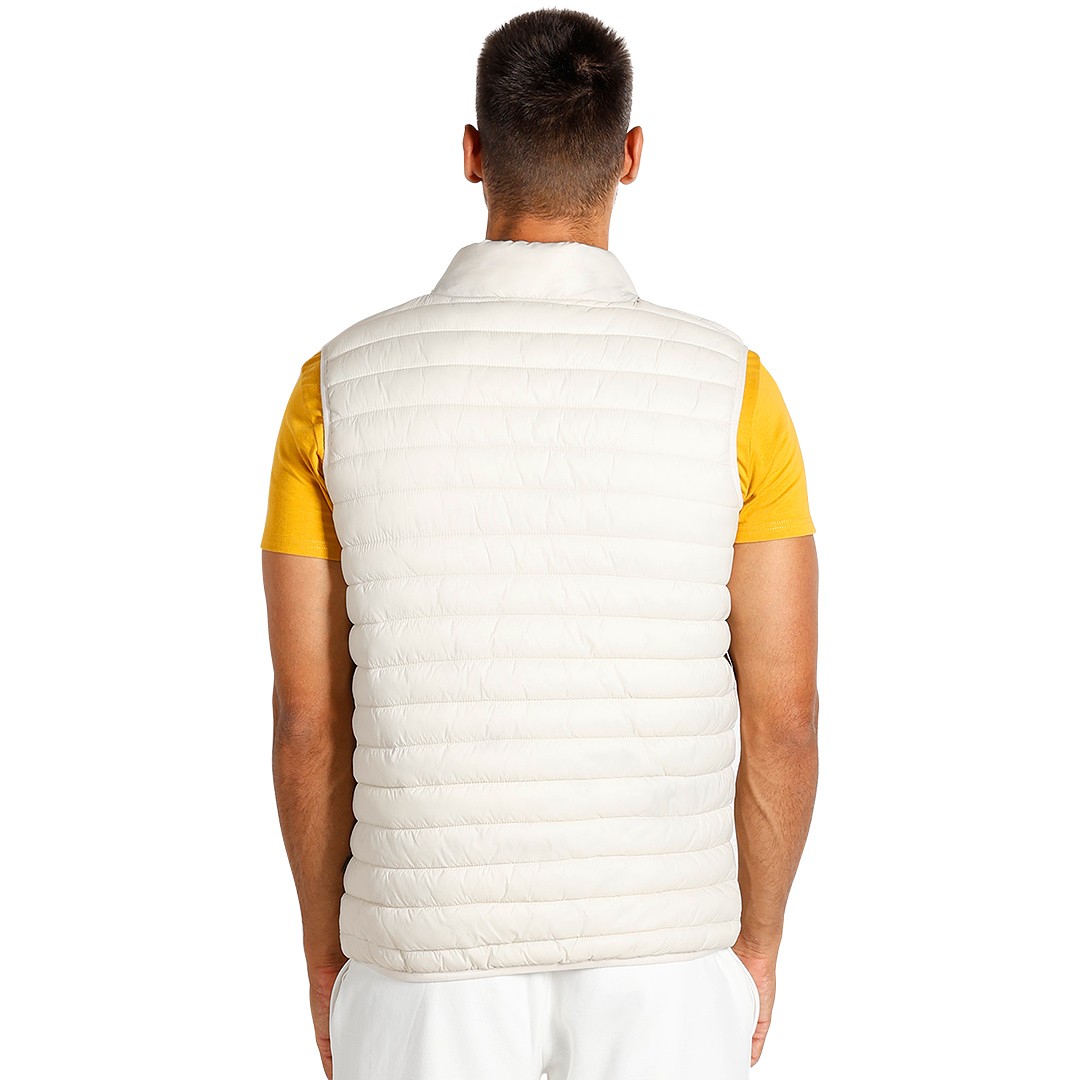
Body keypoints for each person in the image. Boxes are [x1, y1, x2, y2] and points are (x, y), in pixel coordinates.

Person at [261, 9, 819, 1078]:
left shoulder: (330, 391)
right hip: (666, 964)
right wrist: (756, 945)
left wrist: (326, 953)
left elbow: (307, 722)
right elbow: (784, 718)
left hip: (419, 966)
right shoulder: (737, 392)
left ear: (473, 153)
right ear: (631, 155)